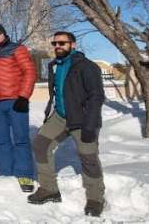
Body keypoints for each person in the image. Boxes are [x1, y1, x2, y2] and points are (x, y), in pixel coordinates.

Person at [28, 31, 106, 217]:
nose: (58, 46)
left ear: (73, 45)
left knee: (88, 158)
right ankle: (49, 189)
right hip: (61, 116)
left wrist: (91, 124)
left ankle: (96, 198)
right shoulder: (56, 65)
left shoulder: (87, 67)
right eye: (55, 43)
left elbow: (97, 96)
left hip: (83, 119)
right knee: (40, 144)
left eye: (62, 43)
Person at [0, 23, 37, 192]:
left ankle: (24, 174)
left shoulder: (17, 49)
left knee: (21, 140)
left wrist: (23, 96)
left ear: (4, 34)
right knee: (1, 141)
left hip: (15, 101)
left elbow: (30, 72)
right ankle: (7, 173)